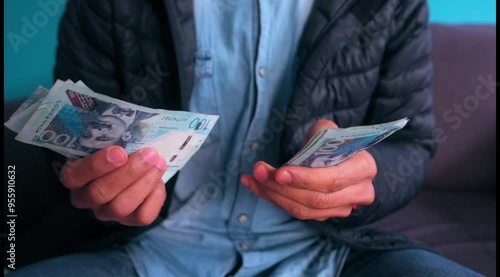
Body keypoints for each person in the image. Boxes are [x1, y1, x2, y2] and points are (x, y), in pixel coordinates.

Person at [8, 0, 484, 276]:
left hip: (328, 251)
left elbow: (414, 144)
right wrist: (98, 189)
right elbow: (68, 145)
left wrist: (364, 184)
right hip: (141, 252)